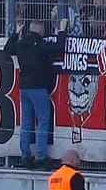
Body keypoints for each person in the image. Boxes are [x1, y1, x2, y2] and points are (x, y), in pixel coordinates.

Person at [6, 19, 64, 169]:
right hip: (39, 87)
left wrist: (16, 33)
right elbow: (59, 47)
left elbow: (7, 49)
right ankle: (40, 156)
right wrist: (62, 31)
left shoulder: (21, 44)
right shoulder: (40, 45)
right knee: (43, 121)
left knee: (26, 122)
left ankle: (25, 156)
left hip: (24, 87)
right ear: (40, 30)